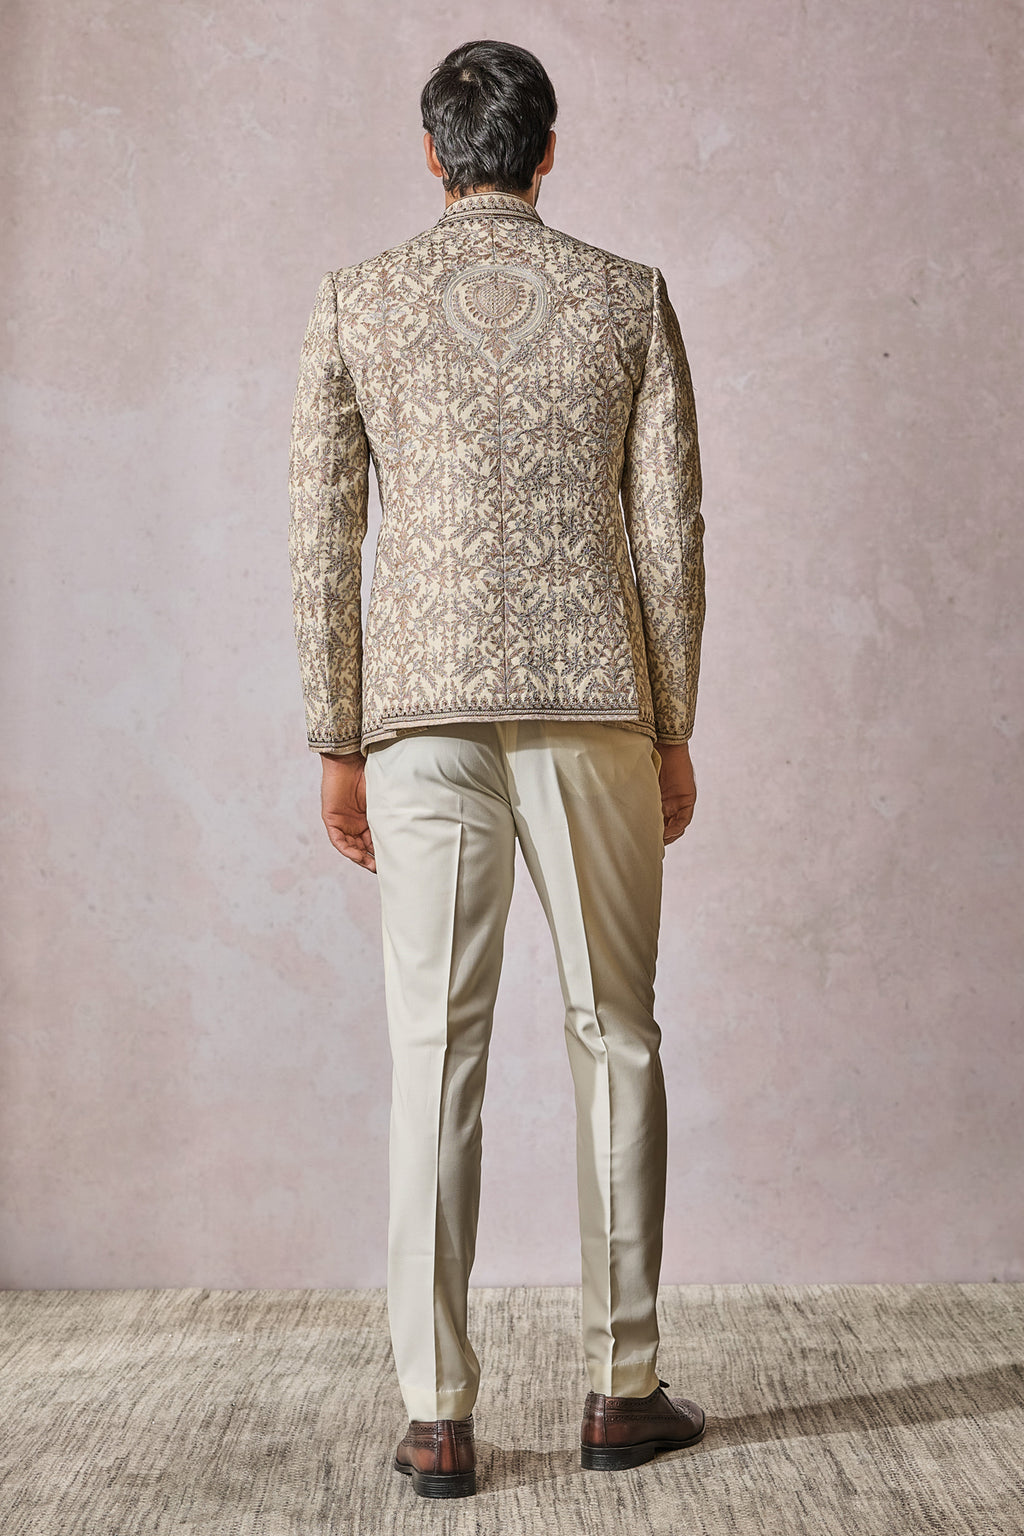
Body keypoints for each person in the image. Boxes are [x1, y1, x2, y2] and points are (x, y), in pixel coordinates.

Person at [288, 38, 707, 1500]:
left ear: (432, 153)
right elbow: (669, 536)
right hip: (595, 707)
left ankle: (436, 1416)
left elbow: (320, 541)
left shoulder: (357, 300)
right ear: (547, 149)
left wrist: (336, 737)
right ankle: (622, 1390)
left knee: (433, 1055)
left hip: (418, 719)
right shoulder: (628, 297)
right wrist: (673, 724)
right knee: (617, 1037)